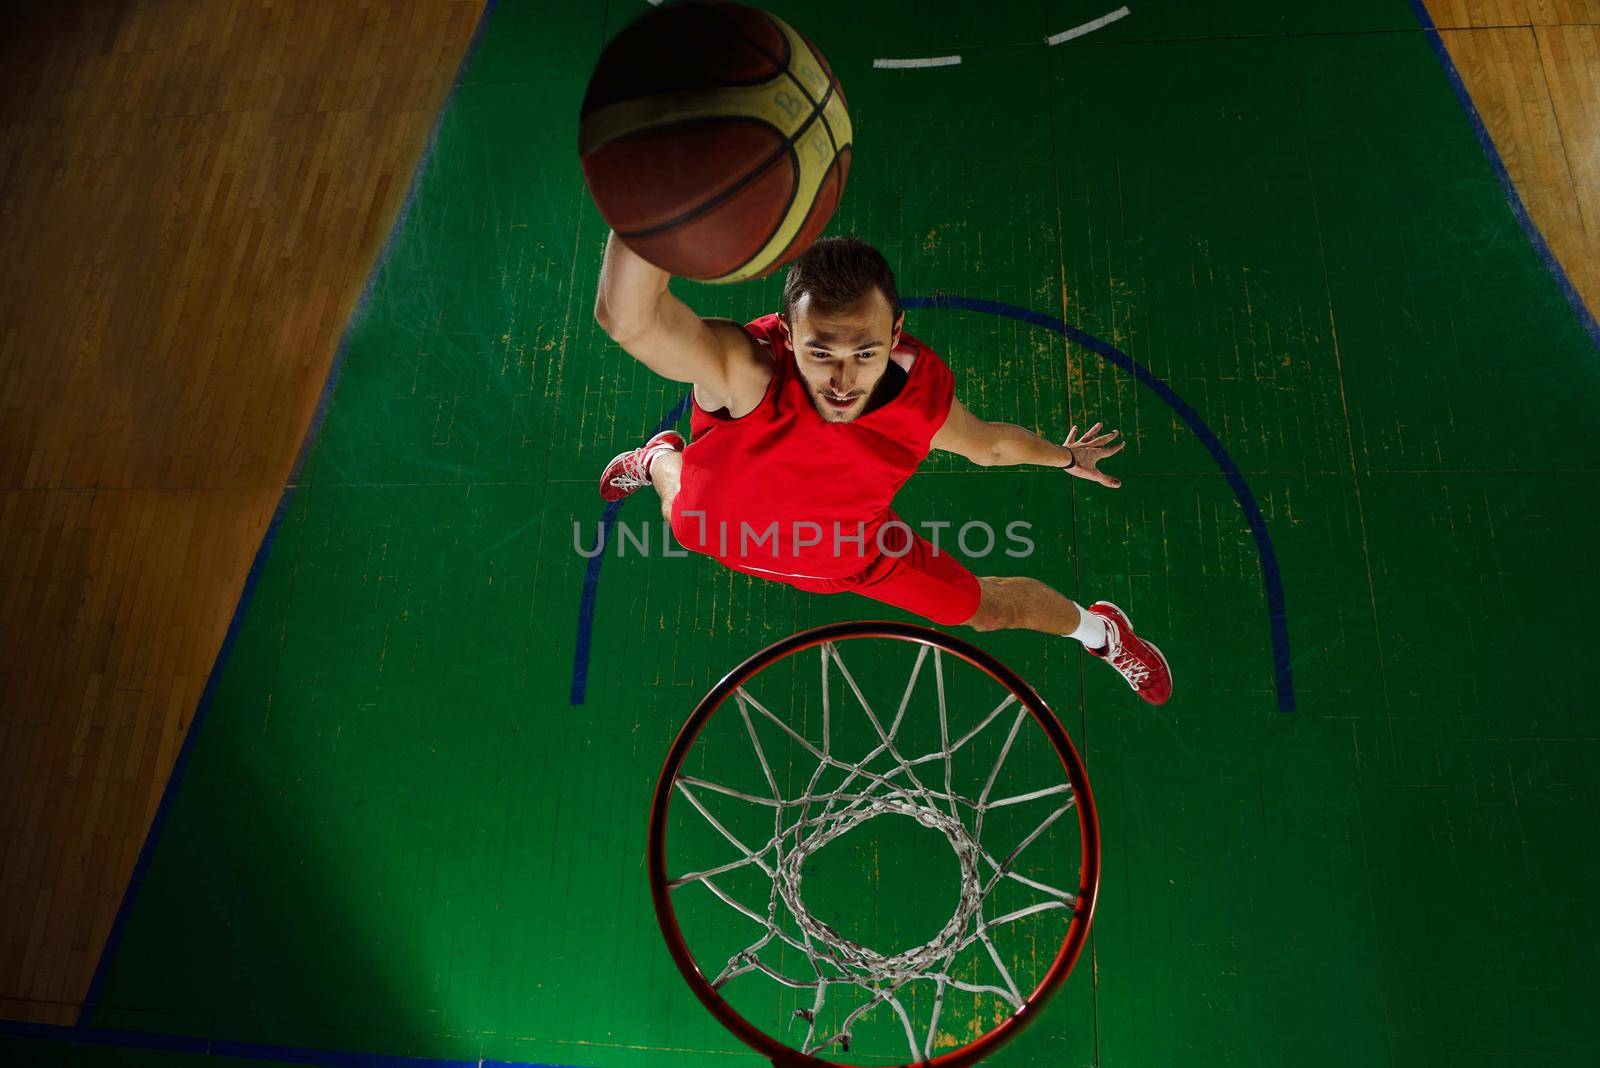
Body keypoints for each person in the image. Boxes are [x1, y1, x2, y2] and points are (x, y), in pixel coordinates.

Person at [593, 232, 1172, 705]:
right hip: (727, 529)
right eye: (820, 353)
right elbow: (630, 321)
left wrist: (1068, 457)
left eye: (863, 354)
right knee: (680, 516)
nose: (843, 382)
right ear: (789, 335)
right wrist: (647, 210)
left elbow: (990, 446)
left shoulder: (918, 400)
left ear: (894, 335)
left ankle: (1103, 633)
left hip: (857, 556)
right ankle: (658, 456)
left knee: (991, 610)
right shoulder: (744, 371)